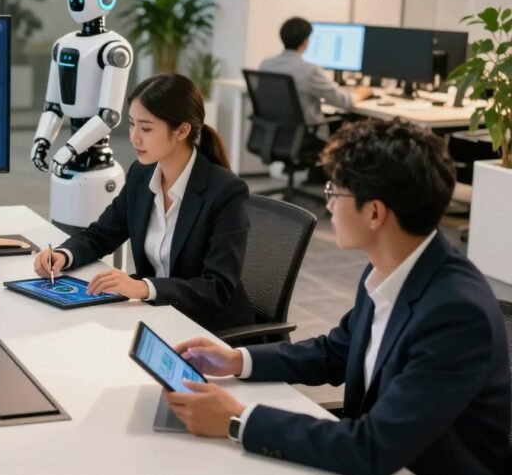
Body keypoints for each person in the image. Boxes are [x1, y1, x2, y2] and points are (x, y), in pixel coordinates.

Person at [162, 119, 511, 475]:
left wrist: (237, 420)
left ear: (375, 212)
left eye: (334, 192)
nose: (328, 205)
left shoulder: (455, 313)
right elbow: (334, 352)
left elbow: (373, 448)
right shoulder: (387, 270)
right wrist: (236, 360)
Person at [34, 74, 254, 332]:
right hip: (159, 316)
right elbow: (101, 234)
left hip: (209, 330)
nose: (134, 137)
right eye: (131, 124)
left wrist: (143, 287)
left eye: (146, 128)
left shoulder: (225, 191)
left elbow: (216, 287)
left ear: (182, 130)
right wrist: (63, 254)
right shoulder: (142, 175)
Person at [260, 17, 373, 127]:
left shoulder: (266, 65)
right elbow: (344, 102)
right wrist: (363, 92)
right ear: (306, 41)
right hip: (307, 135)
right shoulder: (310, 71)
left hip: (274, 135)